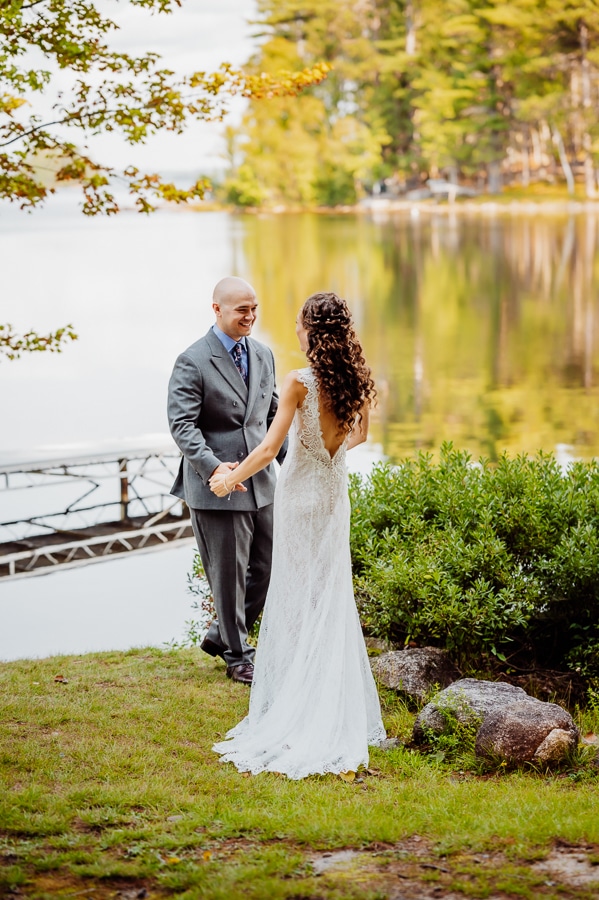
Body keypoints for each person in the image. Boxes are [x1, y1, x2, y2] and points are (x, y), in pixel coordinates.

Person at [209, 291, 386, 779]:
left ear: (310, 330)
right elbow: (361, 437)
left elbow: (268, 449)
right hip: (334, 495)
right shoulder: (356, 379)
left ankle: (298, 700)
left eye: (298, 323)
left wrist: (227, 478)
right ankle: (326, 692)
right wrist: (331, 455)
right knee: (329, 593)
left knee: (296, 591)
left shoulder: (299, 383)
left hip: (300, 495)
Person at [167, 276, 287, 685]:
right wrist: (214, 467)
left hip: (262, 483)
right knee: (229, 578)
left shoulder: (264, 354)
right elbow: (182, 426)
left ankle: (221, 633)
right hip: (217, 489)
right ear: (216, 309)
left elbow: (272, 418)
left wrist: (293, 463)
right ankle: (238, 656)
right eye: (242, 310)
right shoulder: (192, 360)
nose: (250, 316)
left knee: (268, 568)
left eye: (254, 308)